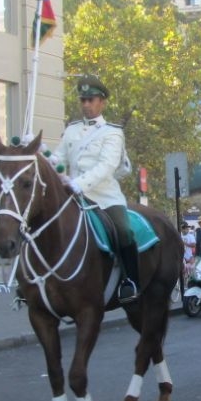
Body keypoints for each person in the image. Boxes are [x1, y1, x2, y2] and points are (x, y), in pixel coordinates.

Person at [48, 75, 139, 303]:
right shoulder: (72, 130)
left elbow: (106, 166)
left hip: (103, 197)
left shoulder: (112, 132)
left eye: (91, 100)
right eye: (83, 100)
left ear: (102, 102)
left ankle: (130, 280)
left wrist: (79, 183)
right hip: (72, 195)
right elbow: (58, 159)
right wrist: (42, 153)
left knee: (123, 230)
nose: (86, 104)